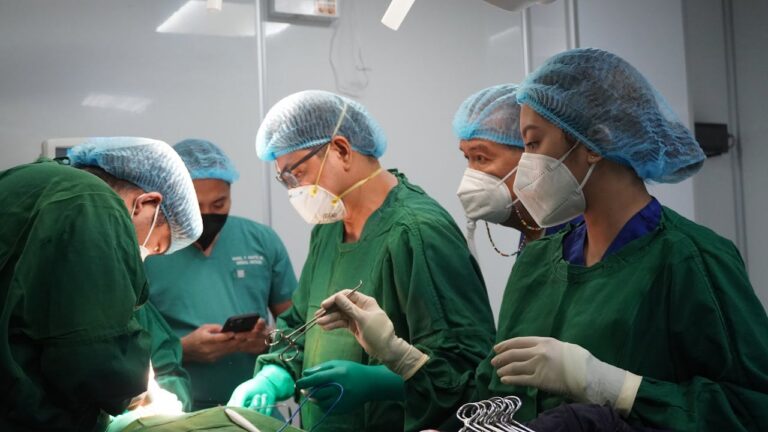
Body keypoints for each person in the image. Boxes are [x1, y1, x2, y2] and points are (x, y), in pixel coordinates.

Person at [320, 48, 768, 431]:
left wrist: (615, 386)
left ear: (595, 141)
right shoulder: (539, 263)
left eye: (532, 144)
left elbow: (751, 410)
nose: (527, 163)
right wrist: (399, 355)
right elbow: (490, 399)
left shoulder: (691, 260)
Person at [227, 90, 496, 431]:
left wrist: (380, 382)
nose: (295, 189)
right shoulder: (328, 229)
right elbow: (300, 321)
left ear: (341, 149)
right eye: (285, 180)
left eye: (298, 173)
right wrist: (273, 374)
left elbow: (465, 367)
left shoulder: (418, 231)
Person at [0, 137, 202, 431]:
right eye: (154, 247)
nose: (142, 257)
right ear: (146, 204)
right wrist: (139, 394)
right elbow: (94, 349)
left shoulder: (29, 182)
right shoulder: (93, 202)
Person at [145, 138, 297, 410]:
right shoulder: (148, 250)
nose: (207, 215)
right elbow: (121, 348)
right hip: (175, 411)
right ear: (171, 199)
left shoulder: (261, 240)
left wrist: (267, 340)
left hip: (253, 407)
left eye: (218, 205)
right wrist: (183, 349)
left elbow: (298, 328)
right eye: (195, 206)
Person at [454, 83, 582, 258]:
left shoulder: (575, 235)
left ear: (529, 153)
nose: (472, 173)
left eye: (481, 158)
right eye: (467, 158)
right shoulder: (532, 233)